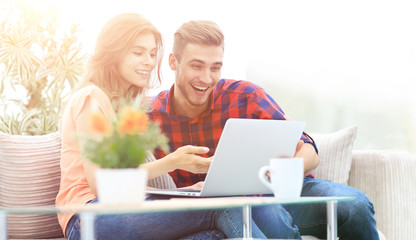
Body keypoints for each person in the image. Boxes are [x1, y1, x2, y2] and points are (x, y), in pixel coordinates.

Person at [148, 20, 380, 239]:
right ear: (173, 62)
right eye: (196, 66)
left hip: (282, 193)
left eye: (215, 68)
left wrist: (285, 171)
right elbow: (131, 184)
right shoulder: (152, 119)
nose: (206, 78)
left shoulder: (245, 96)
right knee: (268, 215)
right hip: (229, 208)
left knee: (355, 205)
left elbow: (309, 149)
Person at [56, 13, 278, 240]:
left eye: (152, 54)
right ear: (113, 53)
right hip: (88, 218)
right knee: (223, 206)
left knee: (212, 236)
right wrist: (173, 161)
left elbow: (127, 185)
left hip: (121, 207)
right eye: (138, 52)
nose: (149, 61)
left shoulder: (124, 110)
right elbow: (102, 182)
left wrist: (185, 192)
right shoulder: (91, 98)